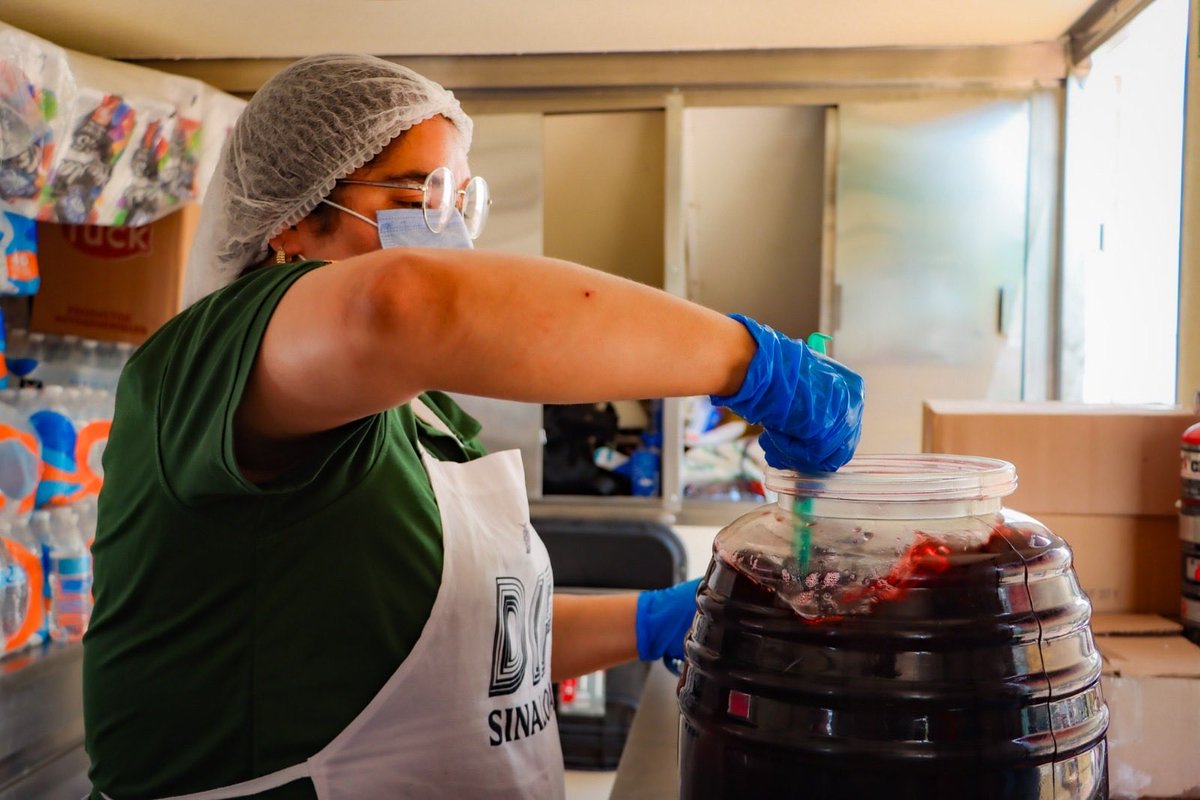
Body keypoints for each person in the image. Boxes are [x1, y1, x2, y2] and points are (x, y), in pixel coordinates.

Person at [82, 54, 864, 800]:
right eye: (420, 197)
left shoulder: (421, 418)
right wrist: (755, 367)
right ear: (292, 223)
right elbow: (405, 302)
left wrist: (662, 618)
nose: (448, 232)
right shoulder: (206, 365)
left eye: (460, 203)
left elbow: (473, 641)